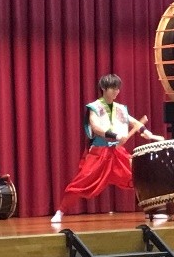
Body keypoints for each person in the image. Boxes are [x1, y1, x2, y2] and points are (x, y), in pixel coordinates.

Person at [51, 74, 164, 223]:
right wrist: (115, 135)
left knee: (139, 177)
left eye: (118, 89)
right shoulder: (95, 107)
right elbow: (95, 127)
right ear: (103, 88)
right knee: (81, 182)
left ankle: (151, 211)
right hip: (99, 152)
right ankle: (60, 211)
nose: (116, 91)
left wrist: (146, 132)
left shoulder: (120, 108)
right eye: (113, 88)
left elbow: (133, 122)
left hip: (117, 153)